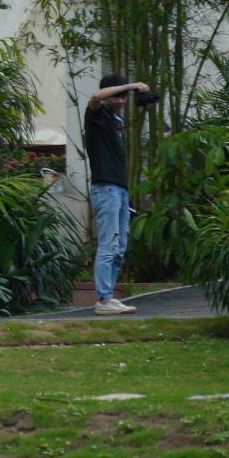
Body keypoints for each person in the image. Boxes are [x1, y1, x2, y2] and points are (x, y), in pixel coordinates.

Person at [82, 74, 159, 314]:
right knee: (108, 245)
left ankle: (109, 296)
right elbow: (95, 97)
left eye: (124, 98)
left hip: (119, 189)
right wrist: (131, 86)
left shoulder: (113, 121)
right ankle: (103, 300)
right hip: (105, 188)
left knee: (119, 247)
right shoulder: (95, 115)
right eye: (116, 96)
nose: (121, 101)